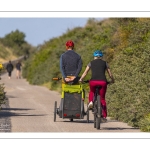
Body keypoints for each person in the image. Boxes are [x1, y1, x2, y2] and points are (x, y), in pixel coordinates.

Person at [79, 50, 114, 121]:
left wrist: (81, 79)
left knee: (92, 91)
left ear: (94, 56)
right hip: (103, 82)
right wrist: (112, 80)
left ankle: (91, 102)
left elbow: (85, 72)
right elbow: (110, 74)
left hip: (93, 82)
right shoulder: (105, 63)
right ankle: (104, 116)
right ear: (101, 56)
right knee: (102, 99)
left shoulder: (91, 63)